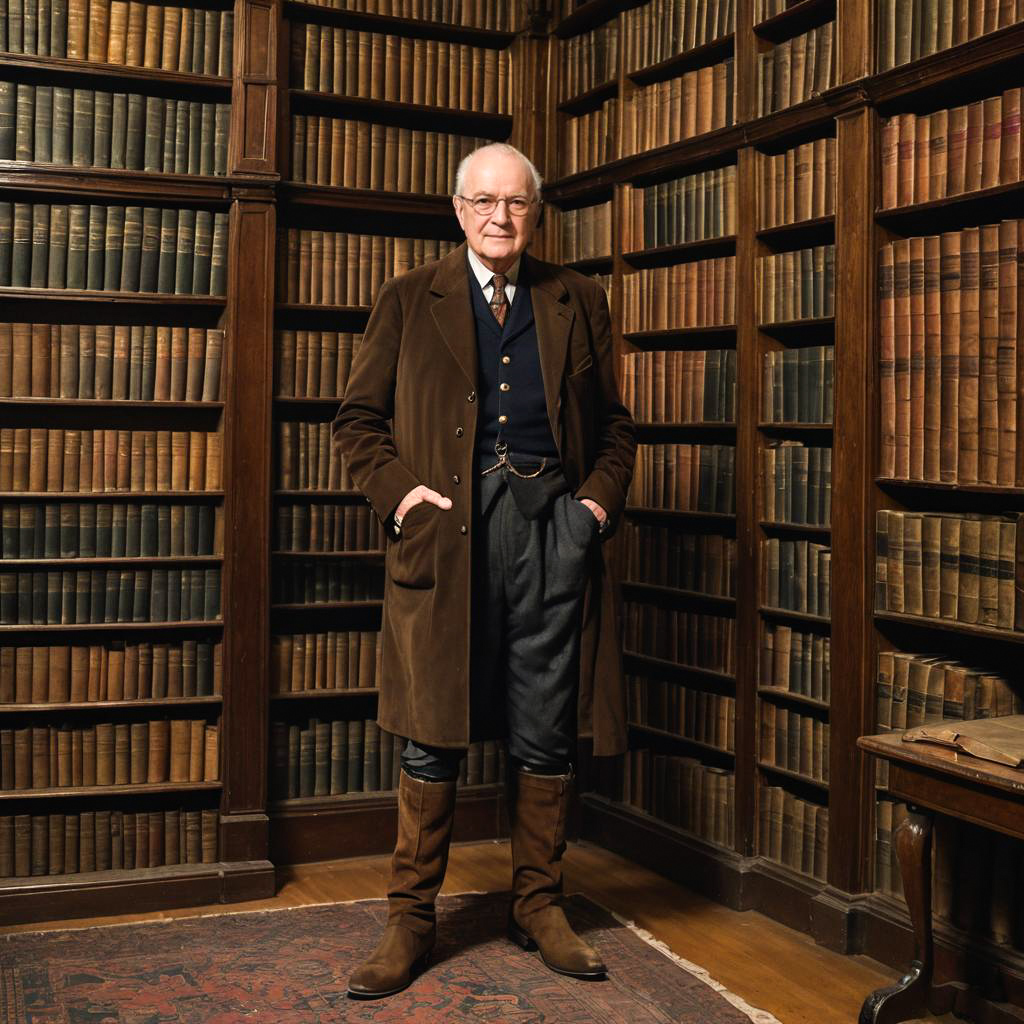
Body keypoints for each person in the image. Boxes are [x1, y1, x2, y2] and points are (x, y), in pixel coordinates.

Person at [332, 141, 636, 999]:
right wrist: (403, 502)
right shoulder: (406, 298)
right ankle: (410, 921)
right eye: (484, 203)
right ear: (458, 210)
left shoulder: (579, 299)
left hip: (554, 540)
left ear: (536, 214)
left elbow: (616, 430)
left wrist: (591, 514)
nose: (500, 218)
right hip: (447, 541)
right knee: (433, 733)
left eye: (517, 204)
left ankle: (538, 906)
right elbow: (357, 422)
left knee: (544, 732)